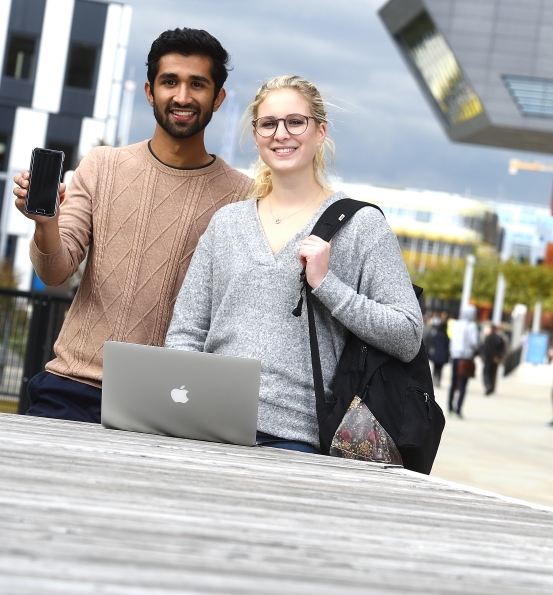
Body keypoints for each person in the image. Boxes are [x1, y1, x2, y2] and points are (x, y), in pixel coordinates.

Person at [164, 75, 421, 453]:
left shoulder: (361, 225)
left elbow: (408, 334)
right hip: (210, 428)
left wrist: (328, 286)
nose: (281, 134)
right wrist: (187, 406)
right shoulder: (227, 223)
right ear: (256, 135)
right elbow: (186, 332)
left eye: (295, 122)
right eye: (268, 124)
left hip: (298, 440)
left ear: (320, 132)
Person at [14, 28, 252, 423]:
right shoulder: (102, 165)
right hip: (74, 385)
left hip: (175, 399)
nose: (182, 96)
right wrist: (45, 224)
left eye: (198, 84)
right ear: (149, 91)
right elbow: (55, 272)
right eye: (169, 82)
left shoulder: (242, 196)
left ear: (218, 98)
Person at [449, 306, 480, 418]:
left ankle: (449, 407)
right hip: (466, 357)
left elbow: (452, 340)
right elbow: (474, 342)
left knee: (453, 383)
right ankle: (458, 409)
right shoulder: (472, 326)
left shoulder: (456, 324)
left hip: (455, 356)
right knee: (463, 385)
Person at [480, 322, 508, 396]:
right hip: (494, 359)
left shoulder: (490, 337)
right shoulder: (498, 338)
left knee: (486, 373)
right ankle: (491, 387)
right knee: (492, 373)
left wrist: (483, 356)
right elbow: (503, 349)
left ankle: (488, 385)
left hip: (489, 358)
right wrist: (498, 356)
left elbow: (484, 348)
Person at [429, 316, 450, 388]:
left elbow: (432, 341)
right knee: (440, 369)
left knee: (435, 368)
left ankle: (434, 380)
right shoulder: (445, 336)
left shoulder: (437, 334)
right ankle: (438, 381)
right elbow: (448, 345)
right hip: (443, 354)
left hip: (436, 353)